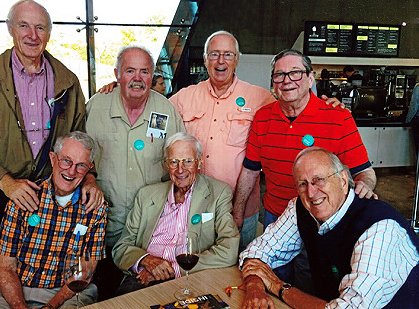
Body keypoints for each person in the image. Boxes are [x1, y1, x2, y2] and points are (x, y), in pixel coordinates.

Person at [97, 32, 341, 251]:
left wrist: (326, 103)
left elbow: (293, 106)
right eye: (214, 54)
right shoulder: (183, 98)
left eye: (227, 55)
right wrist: (118, 86)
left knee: (239, 269)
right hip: (194, 209)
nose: (220, 61)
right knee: (196, 269)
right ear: (205, 60)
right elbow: (150, 107)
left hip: (242, 209)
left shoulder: (260, 98)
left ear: (236, 60)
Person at [0, 0, 103, 307]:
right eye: (24, 26)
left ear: (49, 33)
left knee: (55, 270)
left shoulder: (68, 81)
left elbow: (79, 140)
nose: (32, 35)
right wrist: (6, 183)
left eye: (40, 27)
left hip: (52, 197)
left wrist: (88, 179)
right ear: (10, 29)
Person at [239, 147, 419, 309]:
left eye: (319, 180)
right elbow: (256, 252)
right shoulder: (301, 208)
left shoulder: (380, 229)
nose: (311, 192)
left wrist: (278, 286)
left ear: (342, 180)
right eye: (303, 183)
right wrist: (256, 288)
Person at [234, 49, 376, 232]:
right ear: (273, 82)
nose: (287, 80)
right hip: (276, 217)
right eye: (280, 75)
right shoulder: (262, 118)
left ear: (310, 78)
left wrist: (364, 184)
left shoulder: (338, 118)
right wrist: (237, 213)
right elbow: (250, 172)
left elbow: (364, 171)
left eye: (295, 73)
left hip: (323, 220)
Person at [85, 45, 185, 299]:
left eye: (145, 71)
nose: (138, 78)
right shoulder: (96, 107)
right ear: (117, 74)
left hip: (149, 230)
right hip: (104, 224)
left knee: (141, 296)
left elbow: (180, 164)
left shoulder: (167, 110)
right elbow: (78, 158)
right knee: (103, 292)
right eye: (130, 71)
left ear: (153, 76)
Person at [0, 131, 108, 309]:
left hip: (68, 293)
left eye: (81, 165)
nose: (71, 171)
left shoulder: (95, 208)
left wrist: (50, 306)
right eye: (66, 160)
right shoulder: (23, 198)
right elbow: (6, 267)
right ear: (52, 158)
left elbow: (85, 271)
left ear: (89, 168)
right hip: (16, 289)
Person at [112, 132, 239, 294]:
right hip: (143, 276)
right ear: (166, 164)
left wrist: (173, 269)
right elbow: (121, 248)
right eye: (174, 162)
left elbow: (229, 249)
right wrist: (146, 260)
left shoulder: (219, 192)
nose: (180, 169)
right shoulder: (146, 195)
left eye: (187, 161)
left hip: (192, 276)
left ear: (199, 162)